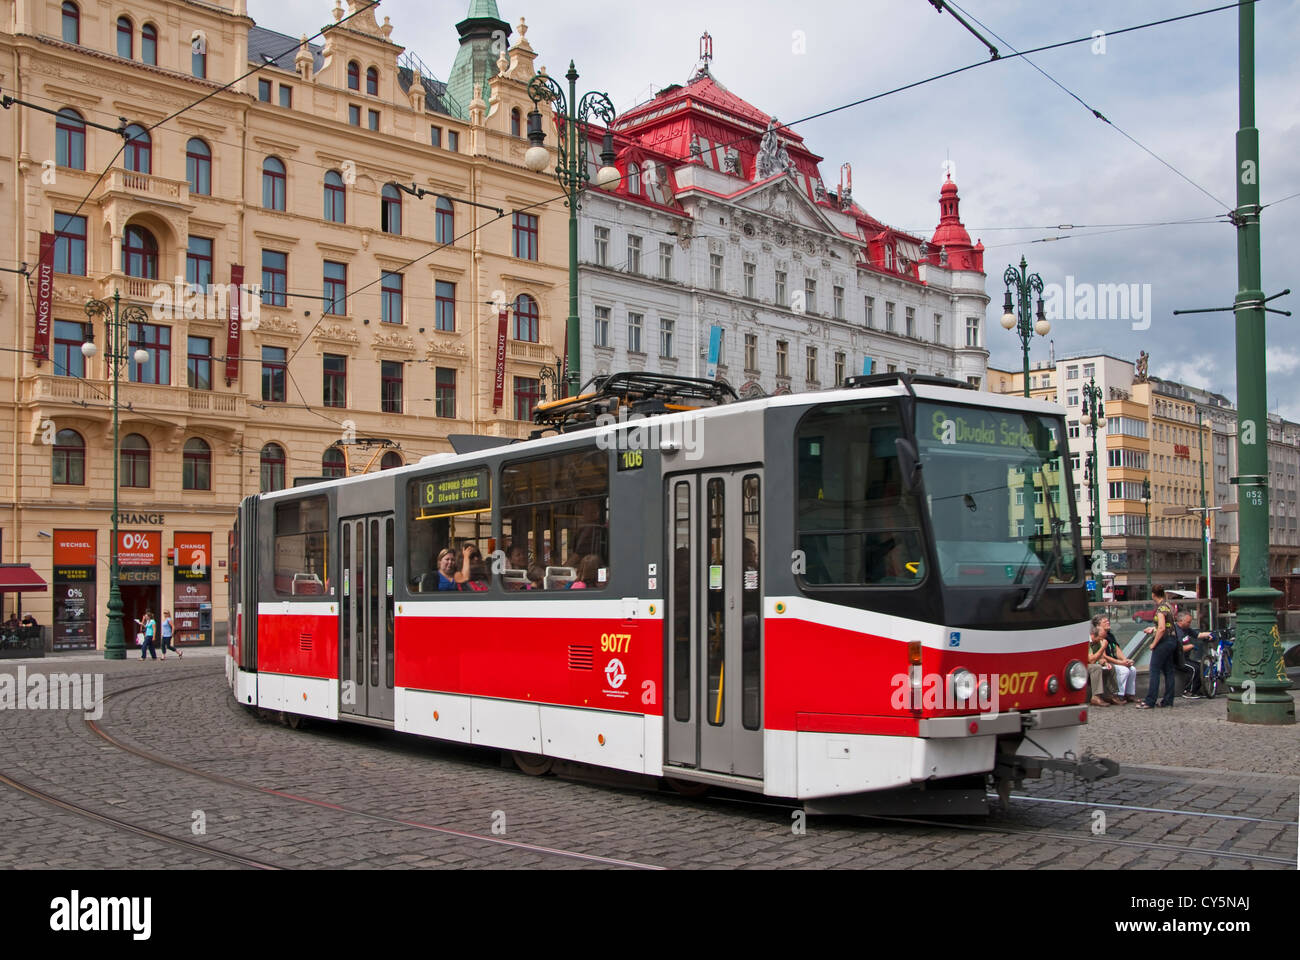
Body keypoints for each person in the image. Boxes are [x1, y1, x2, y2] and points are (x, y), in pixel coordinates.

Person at [1138, 586, 1175, 709]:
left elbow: (1162, 628)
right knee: (1169, 671)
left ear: (1153, 594)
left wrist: (1154, 644)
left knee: (1154, 670)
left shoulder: (1160, 609)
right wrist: (1152, 629)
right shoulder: (1168, 606)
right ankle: (1168, 700)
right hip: (1172, 640)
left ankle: (1150, 701)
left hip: (1163, 642)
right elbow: (1168, 625)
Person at [1094, 614, 1137, 703]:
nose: (1108, 622)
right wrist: (1120, 663)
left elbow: (1117, 649)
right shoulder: (1099, 636)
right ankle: (1117, 694)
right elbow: (1104, 656)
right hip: (1107, 662)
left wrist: (1125, 660)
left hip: (1115, 661)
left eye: (1108, 620)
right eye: (1105, 621)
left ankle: (1129, 694)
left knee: (1132, 669)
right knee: (1123, 670)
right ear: (1098, 625)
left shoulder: (1110, 635)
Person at [1174, 610, 1212, 699]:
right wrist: (1191, 646)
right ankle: (1188, 691)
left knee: (1204, 668)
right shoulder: (1177, 632)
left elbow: (1198, 635)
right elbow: (1177, 649)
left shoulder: (1186, 629)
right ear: (1180, 621)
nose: (1190, 624)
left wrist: (1209, 634)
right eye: (1188, 622)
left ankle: (1197, 689)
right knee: (1194, 669)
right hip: (1177, 659)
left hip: (1185, 658)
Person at [1086, 623, 1119, 706]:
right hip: (1082, 665)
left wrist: (1104, 662)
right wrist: (1103, 647)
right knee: (1096, 668)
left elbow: (1100, 658)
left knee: (1111, 667)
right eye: (1100, 638)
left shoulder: (1097, 641)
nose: (1102, 641)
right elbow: (1091, 660)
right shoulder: (1087, 642)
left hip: (1091, 663)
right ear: (1093, 635)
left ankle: (1111, 694)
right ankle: (1095, 697)